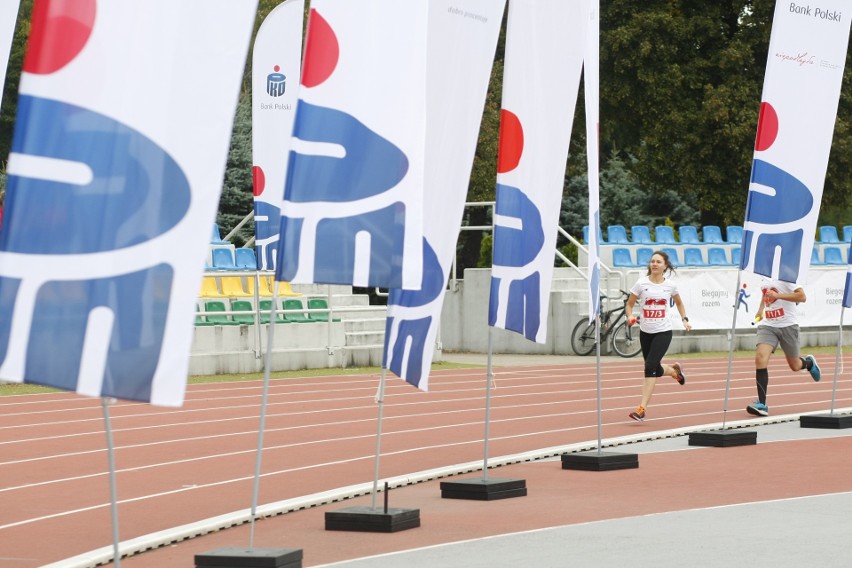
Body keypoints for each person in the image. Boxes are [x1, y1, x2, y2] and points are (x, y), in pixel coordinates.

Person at [625, 250, 692, 421]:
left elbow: (679, 302)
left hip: (663, 332)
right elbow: (630, 305)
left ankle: (641, 409)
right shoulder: (641, 284)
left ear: (665, 266)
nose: (654, 264)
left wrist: (685, 319)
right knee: (654, 367)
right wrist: (630, 316)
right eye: (652, 261)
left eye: (658, 262)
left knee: (649, 367)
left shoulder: (670, 285)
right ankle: (674, 372)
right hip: (645, 332)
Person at [746, 277, 820, 416]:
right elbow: (766, 294)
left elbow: (802, 297)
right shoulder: (764, 276)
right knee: (760, 358)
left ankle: (809, 363)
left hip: (788, 326)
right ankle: (761, 404)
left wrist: (777, 295)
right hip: (768, 325)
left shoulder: (786, 275)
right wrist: (760, 310)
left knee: (795, 365)